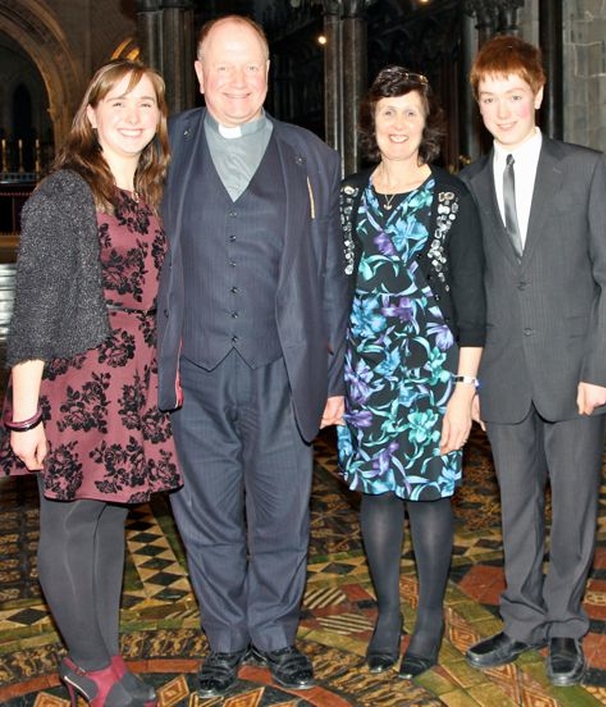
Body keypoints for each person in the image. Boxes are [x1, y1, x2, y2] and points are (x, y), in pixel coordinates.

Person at [156, 15, 349, 698]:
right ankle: (226, 639)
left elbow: (330, 274)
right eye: (224, 68)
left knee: (280, 513)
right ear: (201, 75)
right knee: (205, 518)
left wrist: (332, 373)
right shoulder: (165, 146)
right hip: (194, 371)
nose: (239, 82)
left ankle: (275, 633)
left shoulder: (310, 156)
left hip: (282, 368)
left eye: (253, 68)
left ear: (268, 73)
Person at [0, 60, 182, 706]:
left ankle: (102, 656)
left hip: (131, 380)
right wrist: (25, 415)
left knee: (109, 520)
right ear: (93, 114)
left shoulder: (143, 193)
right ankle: (88, 662)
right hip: (77, 380)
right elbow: (35, 310)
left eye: (146, 105)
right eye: (119, 103)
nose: (133, 117)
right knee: (71, 522)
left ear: (160, 117)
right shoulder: (66, 192)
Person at [459, 36, 606, 687]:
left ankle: (564, 626)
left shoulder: (585, 169)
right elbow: (465, 293)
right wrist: (466, 380)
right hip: (501, 375)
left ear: (539, 94)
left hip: (576, 371)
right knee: (516, 506)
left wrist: (602, 368)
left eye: (514, 96)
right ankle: (522, 618)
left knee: (576, 504)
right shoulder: (467, 185)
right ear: (478, 103)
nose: (502, 110)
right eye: (489, 98)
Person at [337, 66, 485, 680]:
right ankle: (387, 617)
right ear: (372, 122)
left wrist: (463, 391)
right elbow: (333, 291)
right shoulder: (349, 195)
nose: (398, 123)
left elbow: (474, 307)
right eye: (387, 112)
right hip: (366, 370)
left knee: (427, 499)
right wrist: (331, 383)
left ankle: (429, 617)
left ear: (428, 124)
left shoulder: (451, 197)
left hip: (432, 376)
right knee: (375, 495)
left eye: (410, 112)